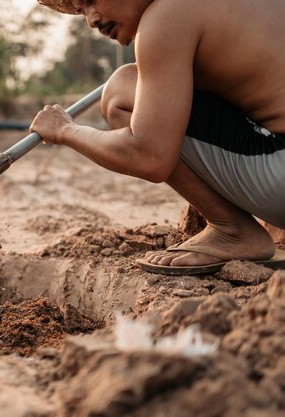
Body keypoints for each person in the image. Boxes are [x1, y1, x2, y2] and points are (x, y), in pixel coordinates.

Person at [32, 0, 285, 274]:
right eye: (81, 10)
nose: (91, 20)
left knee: (123, 89)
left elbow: (148, 155)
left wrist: (65, 130)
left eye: (91, 0)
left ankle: (231, 229)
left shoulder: (167, 16)